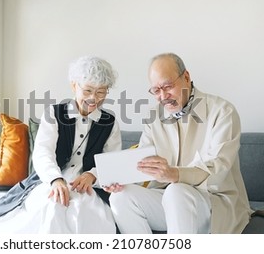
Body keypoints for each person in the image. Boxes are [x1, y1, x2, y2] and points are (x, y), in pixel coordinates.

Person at [105, 52, 252, 234]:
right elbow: (143, 162)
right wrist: (120, 180)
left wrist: (175, 174)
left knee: (176, 191)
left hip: (212, 203)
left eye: (168, 86)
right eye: (156, 90)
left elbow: (217, 169)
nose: (163, 96)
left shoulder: (222, 111)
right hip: (167, 200)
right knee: (120, 197)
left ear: (187, 77)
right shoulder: (154, 116)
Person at [0, 56, 121, 233]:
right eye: (88, 90)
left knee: (85, 212)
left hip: (88, 186)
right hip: (50, 180)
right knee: (53, 206)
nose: (93, 99)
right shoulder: (54, 113)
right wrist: (55, 180)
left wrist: (92, 175)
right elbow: (43, 152)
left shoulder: (110, 122)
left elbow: (112, 160)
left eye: (101, 92)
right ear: (74, 86)